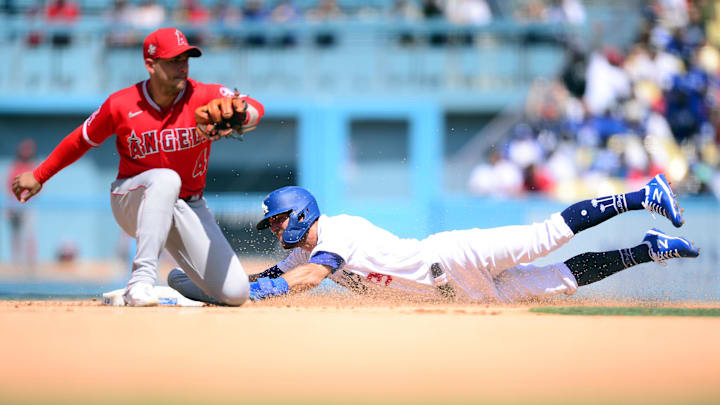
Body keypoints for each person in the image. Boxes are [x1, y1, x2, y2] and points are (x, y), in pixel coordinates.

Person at [11, 27, 265, 306]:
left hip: (187, 206)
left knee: (236, 293)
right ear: (150, 64)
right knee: (166, 179)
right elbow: (80, 140)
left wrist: (241, 113)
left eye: (186, 59)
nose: (182, 67)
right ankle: (141, 281)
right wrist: (39, 175)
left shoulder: (203, 95)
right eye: (173, 60)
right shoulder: (121, 104)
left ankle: (179, 281)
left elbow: (255, 108)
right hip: (132, 199)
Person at [167, 174, 699, 304]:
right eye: (274, 228)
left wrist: (262, 294)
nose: (278, 231)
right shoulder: (298, 251)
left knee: (545, 237)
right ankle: (647, 249)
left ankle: (641, 195)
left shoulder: (338, 231)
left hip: (451, 256)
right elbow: (265, 279)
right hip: (461, 297)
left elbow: (309, 277)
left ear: (301, 213)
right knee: (561, 282)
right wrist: (212, 289)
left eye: (279, 221)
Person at [5, 139, 38, 271]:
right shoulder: (15, 166)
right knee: (15, 235)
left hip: (28, 205)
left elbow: (38, 187)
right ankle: (16, 263)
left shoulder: (33, 166)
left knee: (29, 235)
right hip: (14, 205)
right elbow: (9, 187)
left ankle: (30, 264)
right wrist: (10, 205)